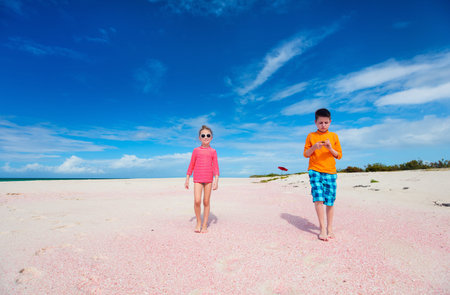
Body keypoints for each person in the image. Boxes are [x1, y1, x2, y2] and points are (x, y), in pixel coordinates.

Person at [303, 108, 342, 241]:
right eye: (320, 123)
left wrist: (330, 147)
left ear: (330, 122)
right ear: (315, 122)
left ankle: (330, 228)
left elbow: (339, 155)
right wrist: (315, 147)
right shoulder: (311, 136)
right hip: (315, 170)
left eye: (326, 122)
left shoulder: (334, 136)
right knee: (318, 198)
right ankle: (322, 228)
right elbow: (306, 154)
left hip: (330, 171)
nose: (323, 125)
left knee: (330, 201)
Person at [185, 125, 219, 233]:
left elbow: (215, 167)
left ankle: (204, 225)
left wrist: (216, 181)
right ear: (200, 138)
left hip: (209, 179)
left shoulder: (213, 151)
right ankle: (198, 222)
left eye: (208, 135)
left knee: (206, 201)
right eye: (203, 135)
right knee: (197, 200)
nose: (205, 137)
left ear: (211, 137)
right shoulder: (196, 150)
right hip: (198, 178)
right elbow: (191, 164)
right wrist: (187, 178)